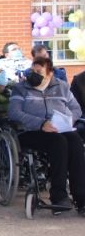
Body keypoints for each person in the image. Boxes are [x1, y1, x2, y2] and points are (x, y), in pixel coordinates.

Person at [8, 57, 85, 216]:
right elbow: (14, 112)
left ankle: (81, 197)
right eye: (33, 71)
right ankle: (58, 196)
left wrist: (66, 120)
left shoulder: (62, 87)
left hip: (59, 129)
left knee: (75, 140)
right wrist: (41, 123)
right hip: (30, 131)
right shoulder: (21, 88)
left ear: (50, 73)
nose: (33, 75)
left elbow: (76, 109)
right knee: (59, 142)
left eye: (38, 72)